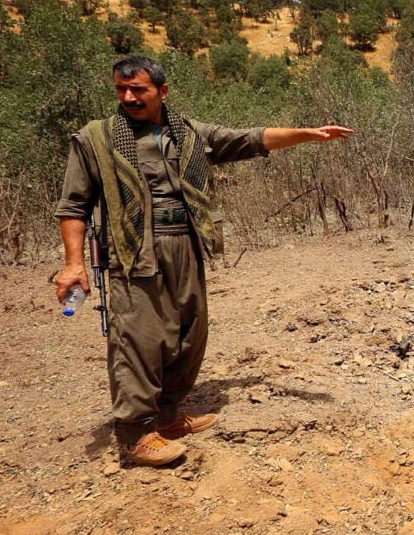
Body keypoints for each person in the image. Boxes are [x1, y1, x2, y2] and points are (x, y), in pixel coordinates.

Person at [54, 55, 353, 467]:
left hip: (186, 244)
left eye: (138, 89)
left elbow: (251, 139)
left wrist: (308, 134)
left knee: (188, 336)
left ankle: (166, 416)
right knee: (138, 340)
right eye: (121, 90)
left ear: (162, 91)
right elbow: (73, 206)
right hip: (133, 249)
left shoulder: (189, 133)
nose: (128, 97)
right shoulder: (95, 138)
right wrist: (74, 264)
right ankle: (136, 436)